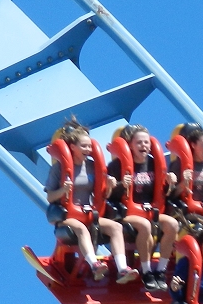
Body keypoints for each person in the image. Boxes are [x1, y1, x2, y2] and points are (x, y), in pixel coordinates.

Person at [45, 118, 139, 283]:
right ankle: (94, 264)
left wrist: (111, 185)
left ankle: (122, 268)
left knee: (116, 227)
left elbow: (104, 194)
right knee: (81, 228)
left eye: (89, 146)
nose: (88, 149)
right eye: (84, 146)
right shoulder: (59, 168)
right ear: (72, 147)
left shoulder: (92, 166)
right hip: (68, 217)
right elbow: (50, 196)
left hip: (90, 213)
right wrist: (63, 190)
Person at [107, 124, 179, 289]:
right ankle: (146, 271)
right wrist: (119, 185)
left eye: (146, 142)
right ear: (130, 145)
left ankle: (160, 271)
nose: (144, 146)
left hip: (151, 211)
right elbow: (108, 196)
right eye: (139, 143)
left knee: (172, 224)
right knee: (145, 225)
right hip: (127, 212)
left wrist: (169, 184)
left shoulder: (154, 164)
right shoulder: (117, 166)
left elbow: (165, 193)